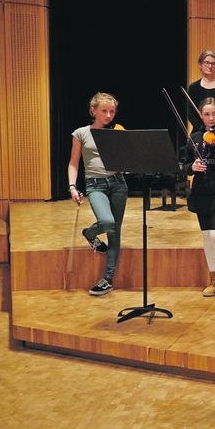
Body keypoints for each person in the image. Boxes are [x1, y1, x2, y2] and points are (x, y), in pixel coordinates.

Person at [67, 92, 128, 297]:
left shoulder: (117, 132)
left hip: (118, 183)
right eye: (104, 111)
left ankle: (107, 279)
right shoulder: (81, 133)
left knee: (114, 232)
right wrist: (72, 187)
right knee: (107, 221)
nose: (109, 115)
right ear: (93, 110)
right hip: (96, 185)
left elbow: (126, 160)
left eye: (112, 111)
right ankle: (90, 233)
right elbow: (73, 163)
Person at [187, 98, 215, 300]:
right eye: (206, 114)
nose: (211, 118)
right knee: (207, 237)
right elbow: (183, 163)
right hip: (202, 190)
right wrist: (192, 168)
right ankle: (212, 279)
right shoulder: (195, 137)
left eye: (214, 114)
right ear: (201, 116)